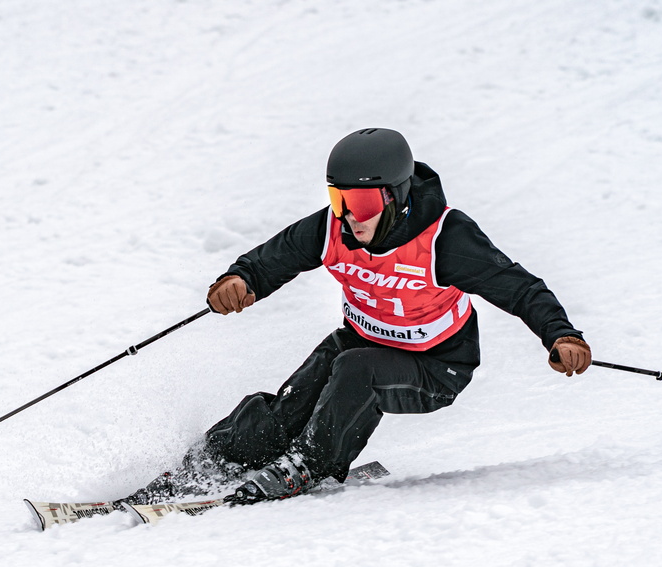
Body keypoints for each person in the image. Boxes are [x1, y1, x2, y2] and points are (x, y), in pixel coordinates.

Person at [123, 128, 591, 505]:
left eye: (361, 203)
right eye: (338, 199)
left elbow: (520, 288)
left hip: (436, 366)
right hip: (361, 340)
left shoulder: (445, 239)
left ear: (396, 197)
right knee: (296, 401)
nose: (349, 216)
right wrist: (240, 280)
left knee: (356, 368)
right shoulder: (332, 229)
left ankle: (309, 463)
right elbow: (275, 258)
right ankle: (215, 462)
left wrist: (561, 335)